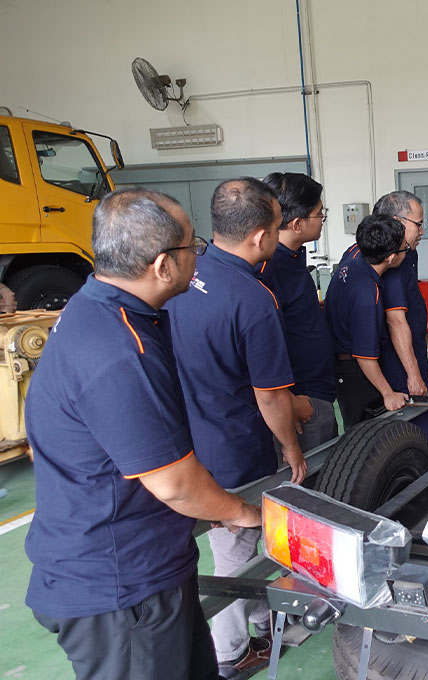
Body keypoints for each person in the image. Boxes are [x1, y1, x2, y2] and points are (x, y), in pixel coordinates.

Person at [24, 188, 262, 680]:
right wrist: (241, 513)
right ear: (161, 265)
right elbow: (173, 482)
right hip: (120, 588)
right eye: (190, 247)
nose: (197, 256)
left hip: (144, 565)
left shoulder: (98, 309)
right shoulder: (118, 348)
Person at [167, 177, 306, 679]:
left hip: (179, 441)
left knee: (218, 545)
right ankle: (230, 652)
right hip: (232, 447)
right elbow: (270, 395)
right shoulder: (252, 297)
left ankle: (262, 626)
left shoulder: (183, 273)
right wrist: (292, 447)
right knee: (236, 550)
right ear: (260, 237)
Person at [259, 172, 338, 450]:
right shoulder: (268, 270)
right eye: (320, 213)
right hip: (300, 403)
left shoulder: (293, 256)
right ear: (297, 223)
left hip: (317, 391)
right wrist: (292, 404)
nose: (323, 218)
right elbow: (262, 347)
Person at [324, 213, 410, 428]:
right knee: (364, 434)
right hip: (353, 372)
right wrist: (388, 394)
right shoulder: (366, 293)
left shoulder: (352, 261)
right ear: (390, 257)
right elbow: (364, 356)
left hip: (341, 364)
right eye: (404, 248)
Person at [373, 190, 428, 440]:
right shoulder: (391, 260)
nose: (422, 231)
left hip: (414, 350)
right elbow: (395, 320)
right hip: (397, 362)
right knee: (414, 431)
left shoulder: (408, 254)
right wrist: (413, 375)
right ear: (398, 223)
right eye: (418, 225)